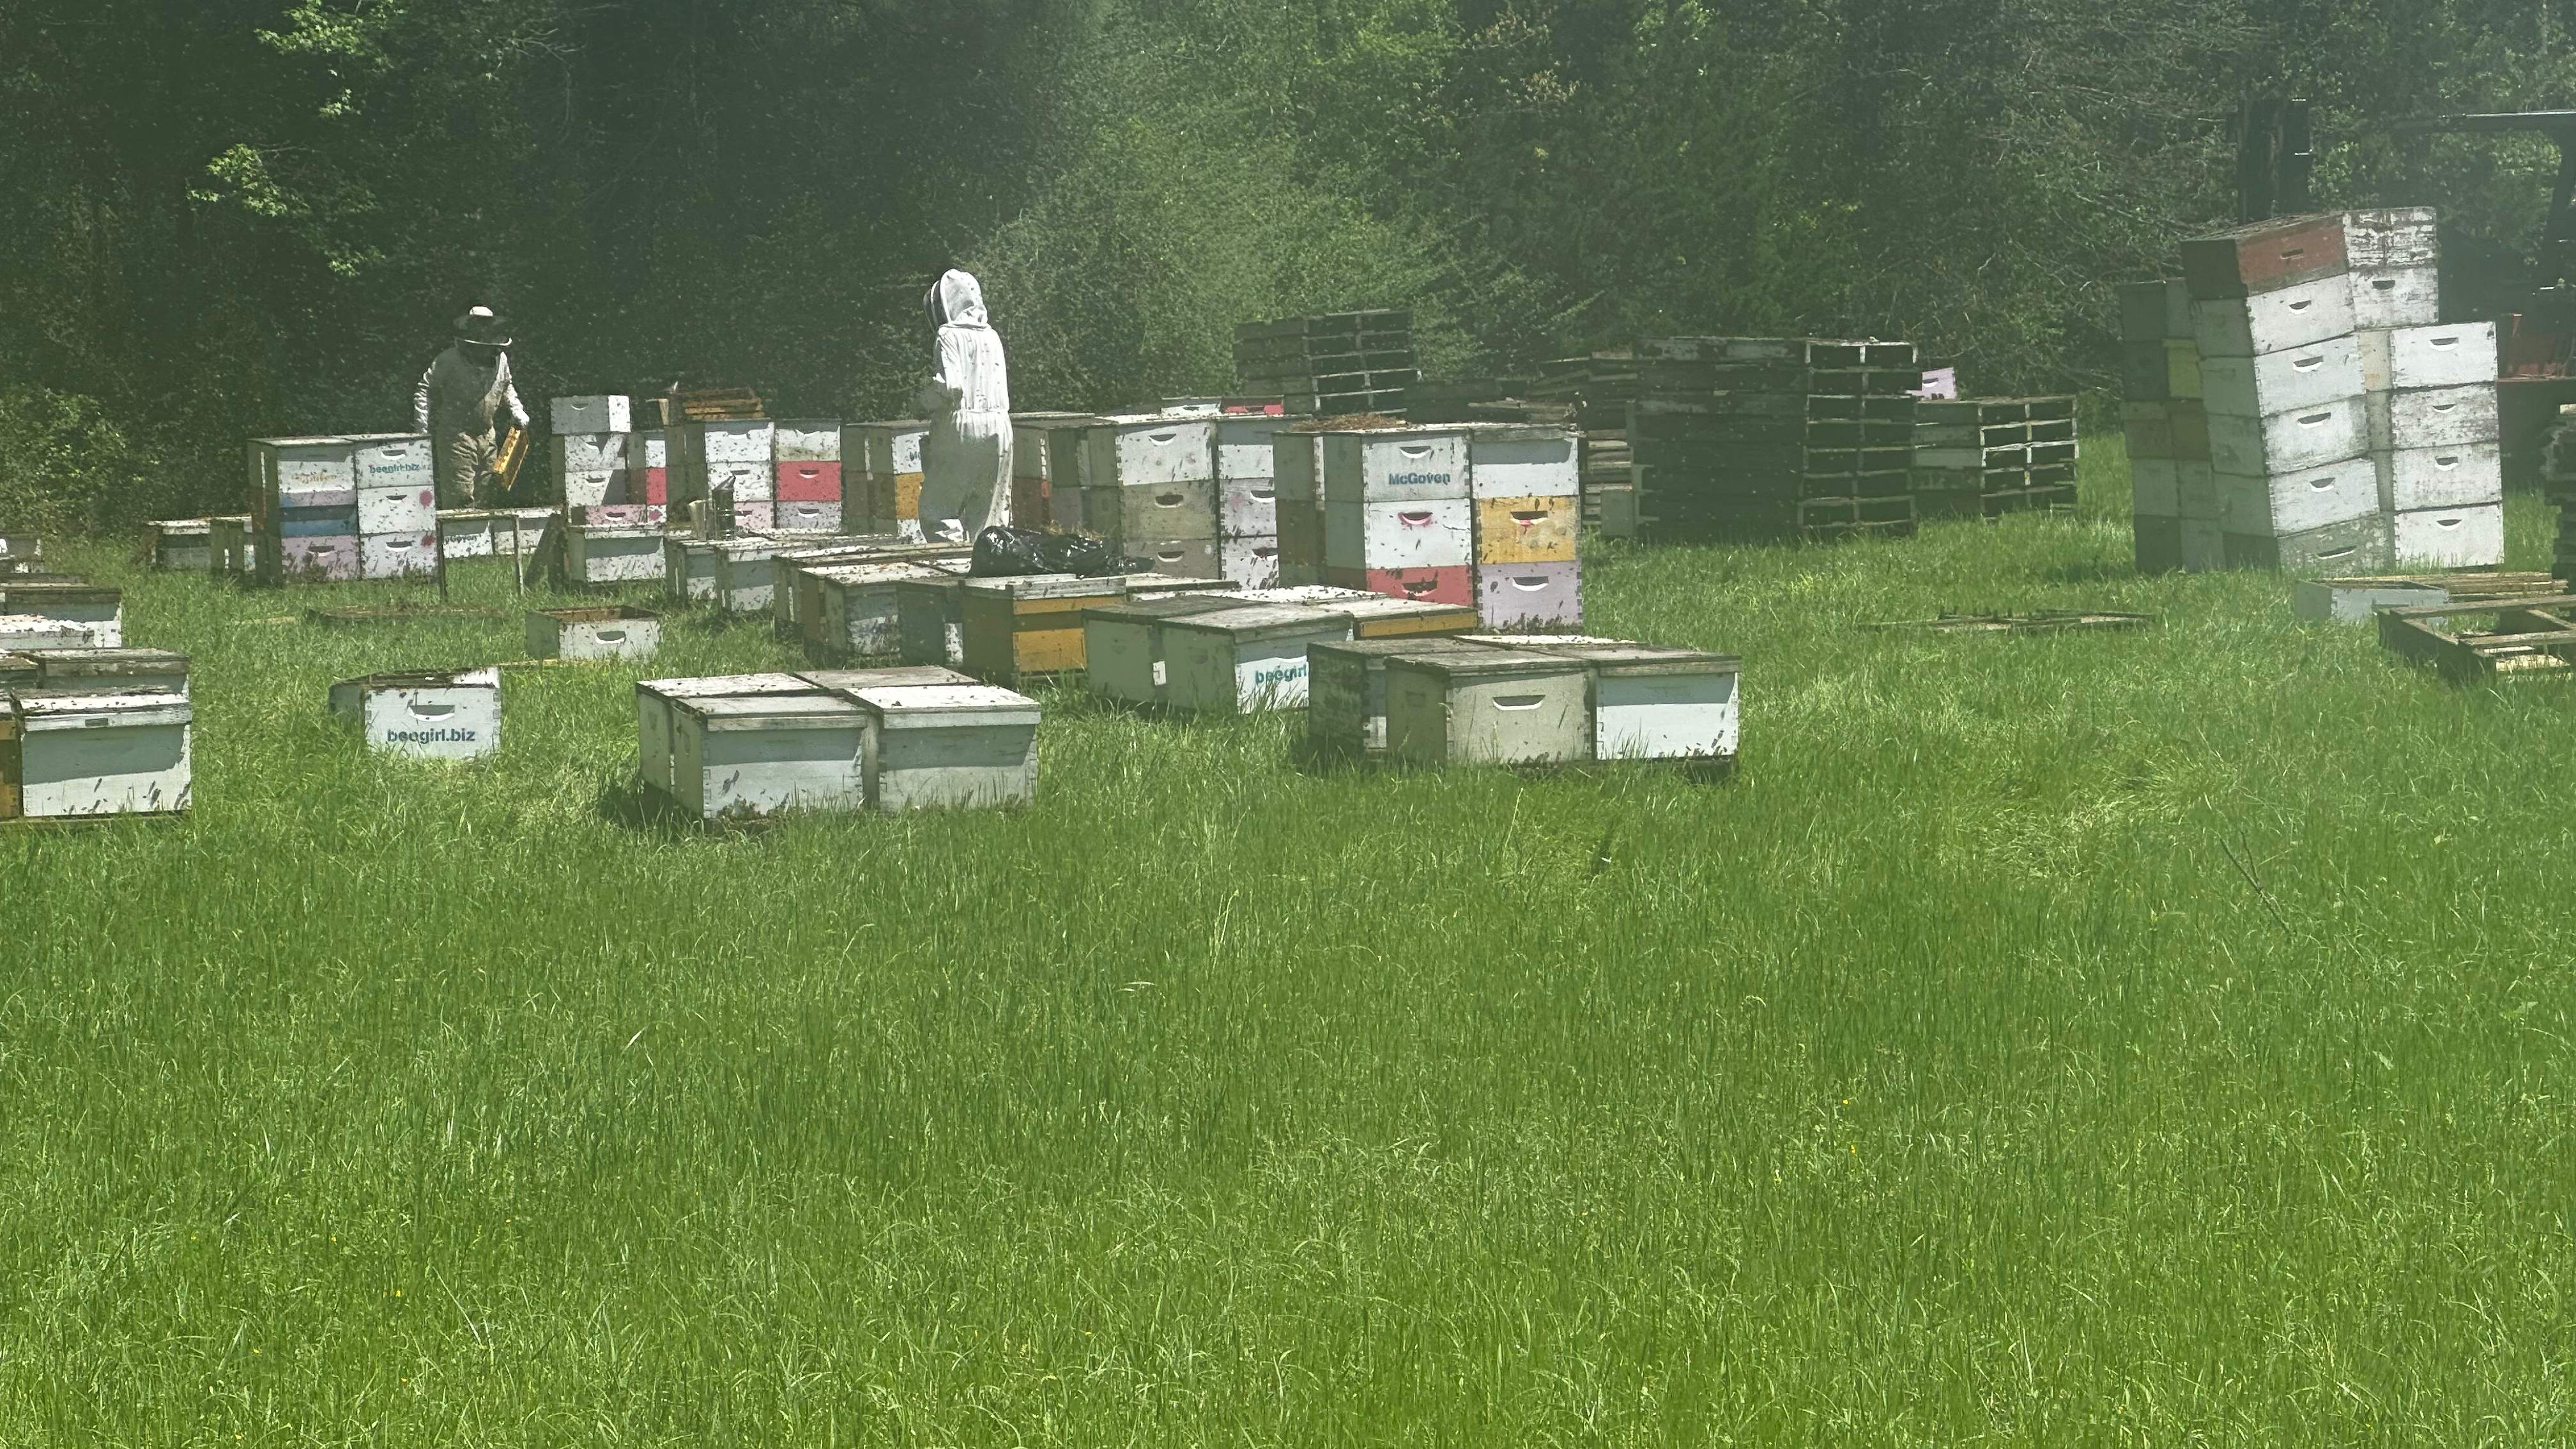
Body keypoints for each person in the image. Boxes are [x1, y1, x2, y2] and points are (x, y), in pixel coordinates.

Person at [914, 270, 1013, 541]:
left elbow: (951, 386)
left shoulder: (948, 335)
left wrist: (923, 403)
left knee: (940, 510)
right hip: (1000, 427)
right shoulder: (992, 335)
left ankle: (951, 570)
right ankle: (986, 571)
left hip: (961, 425)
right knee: (989, 513)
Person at [413, 305, 532, 507]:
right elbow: (425, 389)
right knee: (461, 500)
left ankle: (482, 539)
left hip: (488, 436)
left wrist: (516, 409)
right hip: (457, 438)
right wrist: (422, 428)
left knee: (487, 498)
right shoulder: (448, 360)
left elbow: (506, 385)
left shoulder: (501, 359)